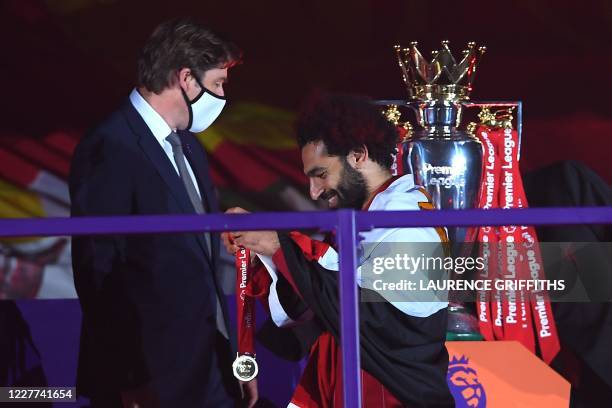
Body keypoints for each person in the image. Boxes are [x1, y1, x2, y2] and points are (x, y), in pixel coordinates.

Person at [69, 19, 257, 407]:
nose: (222, 95)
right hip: (151, 377)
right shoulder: (110, 145)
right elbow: (98, 270)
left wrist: (234, 359)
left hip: (209, 365)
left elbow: (198, 267)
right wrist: (131, 378)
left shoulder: (189, 148)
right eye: (218, 83)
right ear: (186, 78)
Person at [224, 92, 454, 407]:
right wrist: (263, 248)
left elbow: (367, 317)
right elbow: (325, 297)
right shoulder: (372, 215)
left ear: (358, 155)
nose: (314, 191)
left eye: (321, 174)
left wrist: (278, 244)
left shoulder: (407, 219)